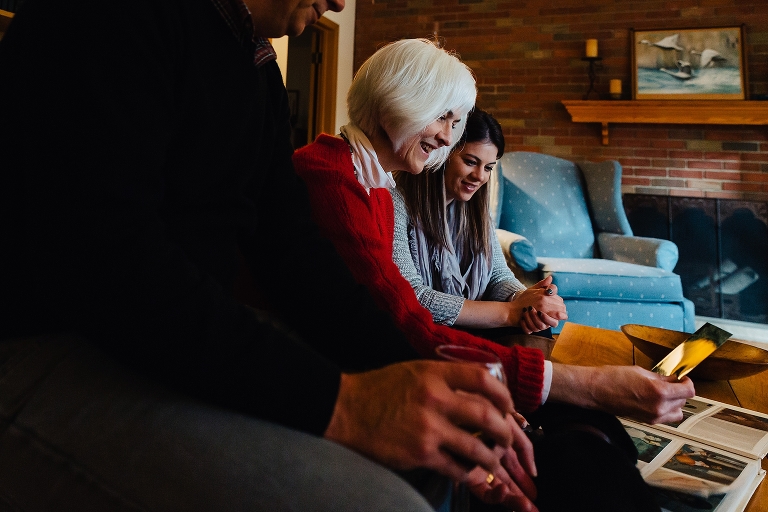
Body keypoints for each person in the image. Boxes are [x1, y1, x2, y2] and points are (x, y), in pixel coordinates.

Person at [0, 1, 535, 511]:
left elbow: (295, 255)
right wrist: (343, 402)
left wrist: (420, 379)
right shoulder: (112, 17)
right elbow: (114, 269)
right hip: (47, 343)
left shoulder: (256, 66)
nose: (341, 4)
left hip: (165, 336)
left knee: (437, 459)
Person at [292, 38, 697, 511]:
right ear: (398, 101)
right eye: (444, 119)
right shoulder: (344, 181)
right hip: (369, 378)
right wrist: (581, 381)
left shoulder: (371, 182)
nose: (448, 137)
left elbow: (475, 283)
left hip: (405, 360)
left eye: (455, 123)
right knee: (575, 448)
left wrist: (527, 303)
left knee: (592, 436)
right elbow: (408, 317)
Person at [391, 107, 568, 338]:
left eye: (488, 168)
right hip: (420, 329)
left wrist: (525, 300)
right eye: (470, 162)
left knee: (535, 325)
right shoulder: (396, 201)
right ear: (442, 154)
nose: (480, 176)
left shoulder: (476, 211)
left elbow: (498, 276)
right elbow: (413, 295)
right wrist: (509, 312)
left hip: (470, 323)